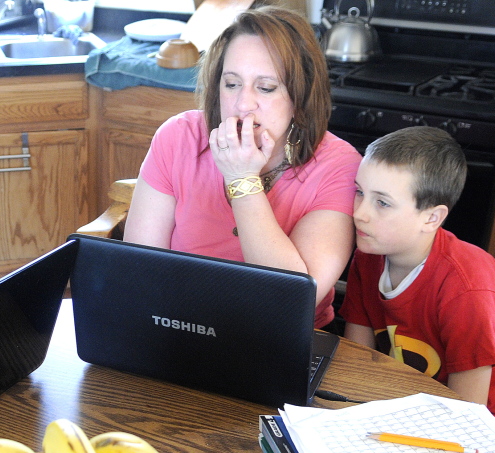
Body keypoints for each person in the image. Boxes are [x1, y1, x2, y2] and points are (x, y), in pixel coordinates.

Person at [123, 5, 361, 328]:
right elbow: (140, 274)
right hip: (181, 326)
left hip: (284, 341)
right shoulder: (177, 138)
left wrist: (242, 178)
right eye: (231, 83)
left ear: (301, 96)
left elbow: (287, 303)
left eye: (265, 87)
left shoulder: (340, 166)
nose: (243, 103)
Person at [340, 126, 495, 443]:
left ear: (432, 218)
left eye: (383, 203)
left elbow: (466, 417)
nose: (359, 213)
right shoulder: (369, 254)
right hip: (420, 402)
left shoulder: (467, 288)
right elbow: (359, 363)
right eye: (359, 192)